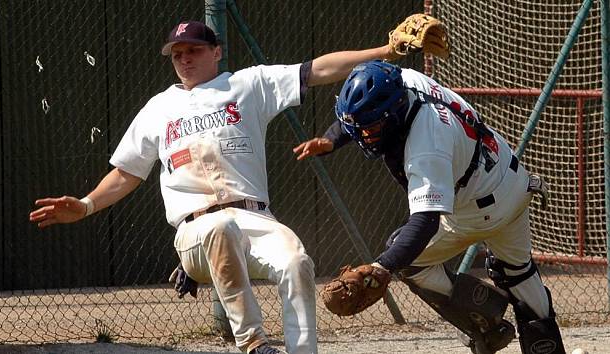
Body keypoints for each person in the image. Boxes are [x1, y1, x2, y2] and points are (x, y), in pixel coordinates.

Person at [29, 20, 402, 354]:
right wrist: (86, 204)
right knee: (219, 226)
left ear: (217, 52)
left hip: (255, 217)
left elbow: (316, 70)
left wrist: (385, 52)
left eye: (194, 49)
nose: (185, 58)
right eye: (177, 53)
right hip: (195, 230)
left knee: (297, 262)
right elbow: (127, 172)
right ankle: (255, 344)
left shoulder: (247, 84)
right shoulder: (158, 108)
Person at [293, 60, 566, 354]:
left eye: (371, 129)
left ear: (393, 114)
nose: (364, 135)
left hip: (476, 209)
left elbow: (426, 222)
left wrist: (381, 267)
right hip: (513, 180)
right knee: (519, 272)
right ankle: (546, 345)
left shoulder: (426, 144)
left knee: (406, 257)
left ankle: (486, 321)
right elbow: (365, 113)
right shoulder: (404, 80)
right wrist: (333, 139)